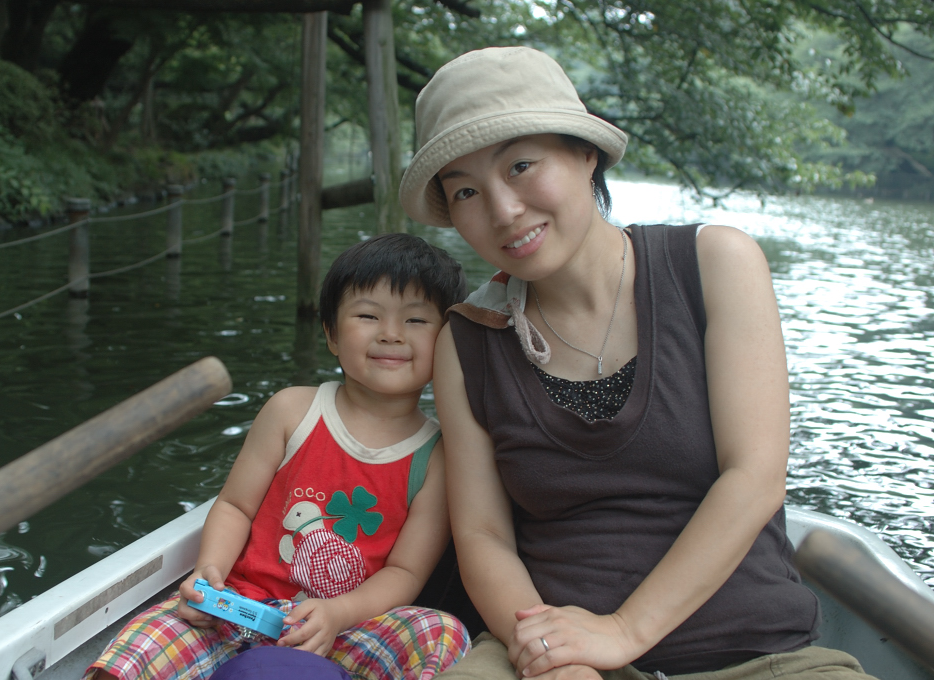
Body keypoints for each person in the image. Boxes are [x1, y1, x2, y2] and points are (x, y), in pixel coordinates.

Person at [397, 47, 878, 680]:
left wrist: (624, 632)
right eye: (466, 190)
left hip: (758, 655)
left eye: (521, 165)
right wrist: (549, 655)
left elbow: (755, 476)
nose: (503, 209)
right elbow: (483, 535)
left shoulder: (713, 265)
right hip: (551, 652)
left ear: (585, 153)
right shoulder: (467, 341)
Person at [85, 233, 471, 680]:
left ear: (447, 343)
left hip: (345, 629)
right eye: (368, 315)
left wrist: (338, 614)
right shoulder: (292, 410)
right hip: (238, 608)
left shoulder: (438, 454)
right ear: (331, 333)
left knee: (443, 633)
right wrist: (210, 573)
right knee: (141, 642)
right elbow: (235, 506)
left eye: (416, 320)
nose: (391, 334)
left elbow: (405, 572)